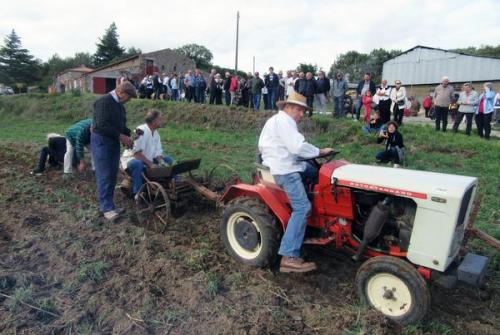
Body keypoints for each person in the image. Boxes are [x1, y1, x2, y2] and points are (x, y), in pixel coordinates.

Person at [258, 92, 334, 273]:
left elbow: (293, 148)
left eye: (303, 111)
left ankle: (319, 218)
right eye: (300, 110)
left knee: (316, 173)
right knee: (302, 207)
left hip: (287, 162)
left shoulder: (279, 121)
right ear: (289, 107)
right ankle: (289, 255)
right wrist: (320, 151)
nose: (302, 115)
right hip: (284, 169)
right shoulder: (285, 121)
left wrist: (315, 154)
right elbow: (298, 147)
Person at [91, 81, 136, 221]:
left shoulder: (120, 106)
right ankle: (106, 208)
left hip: (113, 142)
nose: (128, 101)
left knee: (112, 174)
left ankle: (110, 205)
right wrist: (121, 136)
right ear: (121, 92)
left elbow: (120, 125)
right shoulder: (104, 102)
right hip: (102, 142)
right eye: (128, 97)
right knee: (104, 174)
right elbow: (101, 125)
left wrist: (128, 135)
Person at [121, 111, 174, 196]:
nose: (162, 121)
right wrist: (151, 164)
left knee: (168, 160)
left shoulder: (156, 134)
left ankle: (165, 184)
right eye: (160, 119)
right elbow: (136, 154)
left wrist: (162, 163)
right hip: (132, 160)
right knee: (138, 163)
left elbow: (158, 154)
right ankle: (137, 192)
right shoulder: (140, 130)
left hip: (147, 160)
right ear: (154, 122)